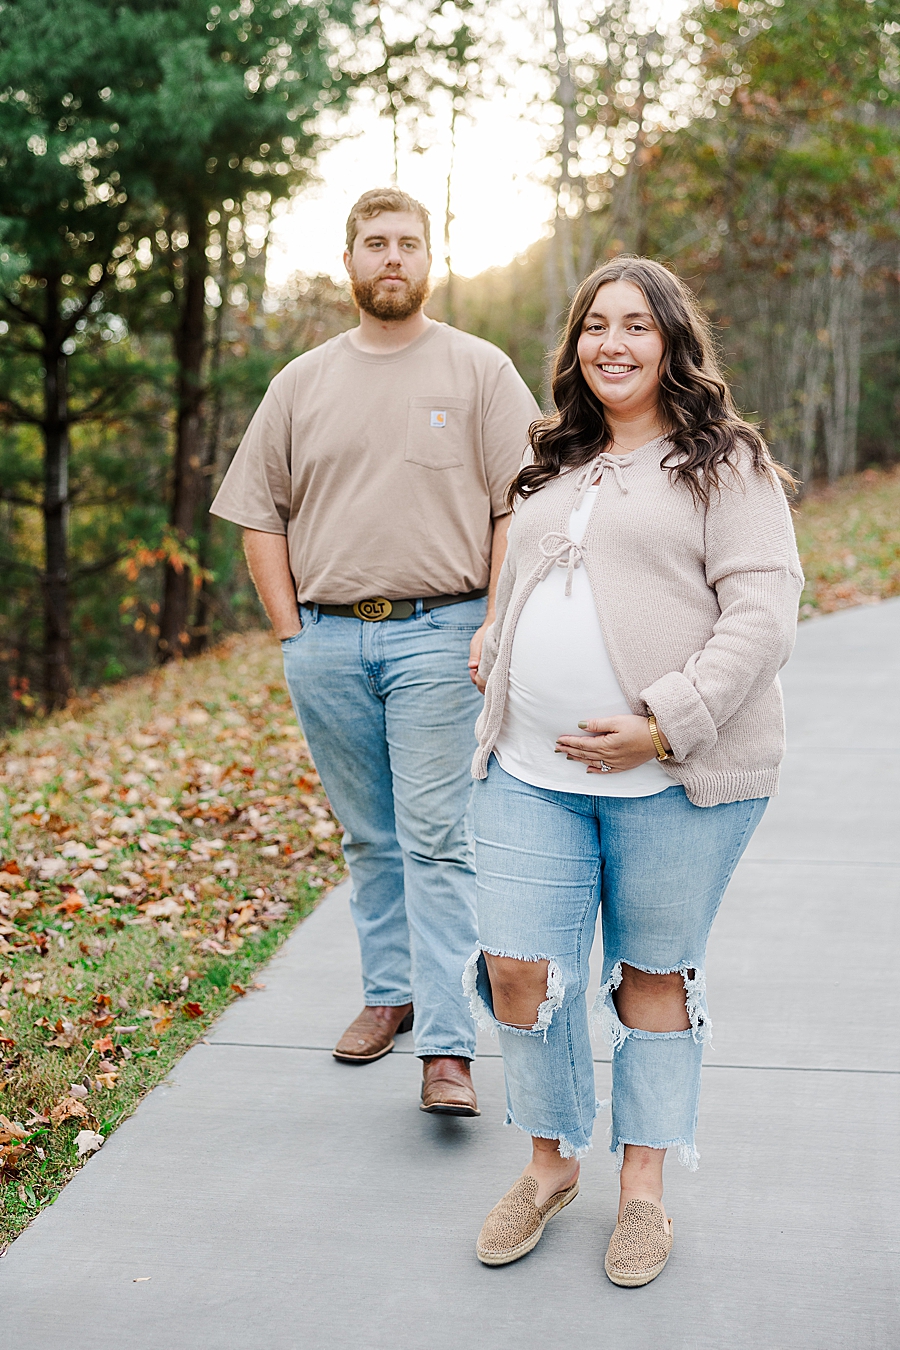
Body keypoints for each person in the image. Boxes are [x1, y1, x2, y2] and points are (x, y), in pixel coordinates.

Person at [464, 257, 802, 1282]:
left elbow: (763, 616)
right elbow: (523, 578)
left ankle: (643, 1192)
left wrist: (662, 723)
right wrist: (499, 637)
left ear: (671, 344)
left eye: (636, 327)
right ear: (574, 347)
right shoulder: (554, 463)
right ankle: (551, 1162)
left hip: (675, 782)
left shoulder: (724, 462)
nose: (612, 343)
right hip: (526, 769)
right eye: (594, 326)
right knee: (521, 971)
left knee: (650, 980)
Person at [210, 187, 539, 1117]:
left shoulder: (479, 371)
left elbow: (519, 504)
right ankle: (388, 994)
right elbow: (258, 516)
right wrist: (290, 634)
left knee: (436, 840)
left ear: (430, 261)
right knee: (371, 838)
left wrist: (490, 622)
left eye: (408, 243)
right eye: (375, 244)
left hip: (443, 632)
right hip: (328, 641)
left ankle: (447, 1046)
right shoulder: (300, 383)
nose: (392, 257)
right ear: (348, 262)